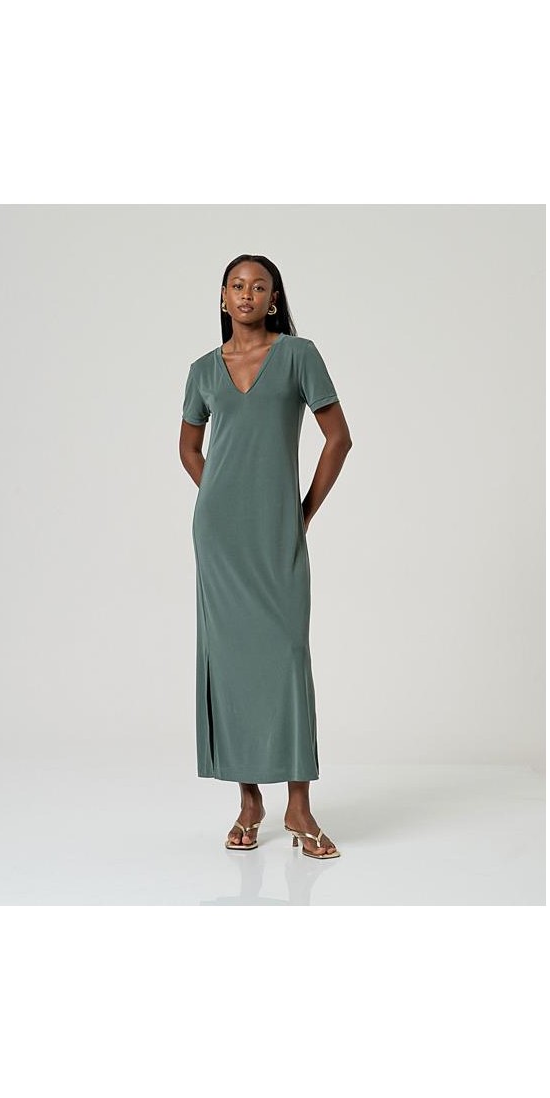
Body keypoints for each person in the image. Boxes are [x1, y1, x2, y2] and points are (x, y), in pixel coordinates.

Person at [179, 254, 353, 858]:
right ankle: (249, 801)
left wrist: (302, 511)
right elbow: (189, 447)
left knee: (286, 658)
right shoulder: (203, 370)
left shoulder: (300, 356)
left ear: (273, 298)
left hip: (277, 535)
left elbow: (339, 438)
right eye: (237, 285)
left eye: (259, 286)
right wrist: (221, 495)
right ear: (223, 297)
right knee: (230, 664)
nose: (247, 294)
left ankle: (298, 805)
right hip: (220, 538)